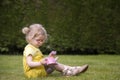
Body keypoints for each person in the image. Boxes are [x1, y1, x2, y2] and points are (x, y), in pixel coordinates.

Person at [22, 23, 88, 78]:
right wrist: (41, 63)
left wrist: (49, 58)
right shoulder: (29, 49)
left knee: (52, 62)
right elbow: (29, 63)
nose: (40, 42)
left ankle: (73, 69)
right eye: (38, 40)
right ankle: (72, 70)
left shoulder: (34, 48)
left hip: (38, 70)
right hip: (33, 73)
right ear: (30, 38)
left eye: (42, 40)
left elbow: (39, 60)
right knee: (53, 64)